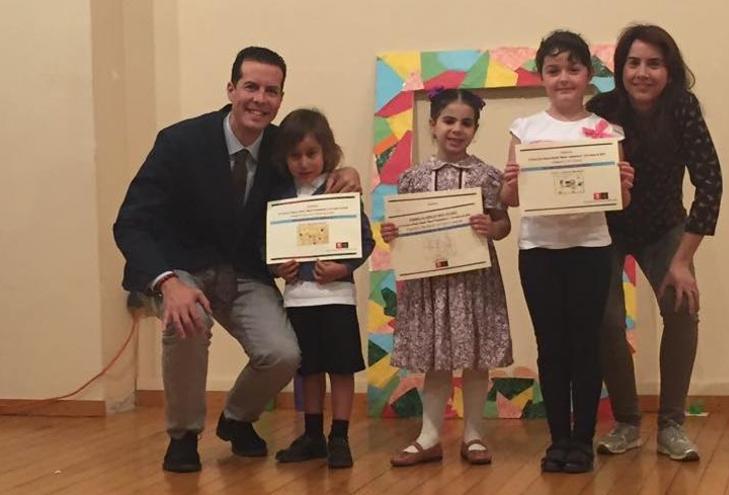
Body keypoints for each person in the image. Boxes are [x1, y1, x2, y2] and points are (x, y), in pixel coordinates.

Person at [113, 46, 361, 473]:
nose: (260, 99)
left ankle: (236, 419)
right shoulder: (179, 142)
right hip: (180, 268)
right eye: (251, 87)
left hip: (243, 273)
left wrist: (347, 173)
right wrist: (167, 282)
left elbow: (317, 177)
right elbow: (130, 222)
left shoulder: (284, 148)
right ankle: (184, 435)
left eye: (271, 91)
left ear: (281, 98)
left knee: (285, 353)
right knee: (189, 320)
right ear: (231, 89)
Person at [500, 30, 634, 473]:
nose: (563, 78)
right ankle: (557, 440)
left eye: (573, 69)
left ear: (587, 76)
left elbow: (620, 201)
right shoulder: (525, 129)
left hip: (592, 248)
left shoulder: (604, 130)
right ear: (542, 76)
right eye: (553, 70)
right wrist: (511, 183)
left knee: (585, 345)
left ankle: (583, 439)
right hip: (538, 249)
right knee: (551, 346)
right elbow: (511, 200)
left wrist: (624, 184)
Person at [587, 24, 723, 462]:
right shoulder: (601, 109)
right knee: (605, 319)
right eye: (633, 63)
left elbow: (711, 184)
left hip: (665, 226)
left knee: (683, 309)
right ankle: (626, 422)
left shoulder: (683, 109)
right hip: (605, 227)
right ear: (620, 68)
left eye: (654, 63)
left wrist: (683, 260)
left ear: (669, 70)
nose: (642, 73)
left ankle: (672, 425)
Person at [380, 88, 513, 467]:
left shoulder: (488, 175)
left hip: (475, 282)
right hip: (431, 283)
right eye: (449, 121)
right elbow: (402, 229)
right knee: (436, 358)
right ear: (433, 125)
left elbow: (502, 224)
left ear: (475, 128)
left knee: (475, 356)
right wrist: (393, 233)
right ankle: (429, 435)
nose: (457, 129)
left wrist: (493, 226)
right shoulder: (412, 178)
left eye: (466, 122)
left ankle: (473, 434)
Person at [268, 109, 374, 469]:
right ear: (284, 158)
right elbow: (268, 245)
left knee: (341, 368)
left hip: (338, 297)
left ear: (327, 152)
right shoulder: (280, 196)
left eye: (311, 154)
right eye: (295, 155)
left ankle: (339, 437)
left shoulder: (340, 188)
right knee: (308, 369)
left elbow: (364, 240)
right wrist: (276, 266)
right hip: (297, 298)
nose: (303, 162)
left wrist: (344, 267)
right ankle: (312, 435)